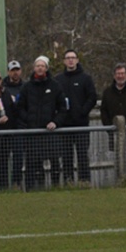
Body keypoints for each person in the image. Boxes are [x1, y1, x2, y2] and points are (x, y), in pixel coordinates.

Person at [14, 56, 67, 191]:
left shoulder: (55, 86)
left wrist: (55, 122)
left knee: (55, 161)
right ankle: (34, 189)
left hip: (51, 133)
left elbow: (62, 108)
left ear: (46, 68)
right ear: (34, 68)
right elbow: (20, 107)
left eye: (42, 66)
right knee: (33, 163)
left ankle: (56, 187)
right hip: (33, 133)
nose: (40, 68)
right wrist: (29, 120)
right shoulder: (26, 87)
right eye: (37, 66)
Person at [54, 49, 98, 185]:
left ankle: (84, 181)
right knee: (66, 156)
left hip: (81, 124)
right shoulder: (58, 80)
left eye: (73, 57)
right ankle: (68, 181)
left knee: (82, 155)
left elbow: (92, 97)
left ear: (77, 60)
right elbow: (54, 99)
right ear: (64, 61)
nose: (70, 60)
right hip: (64, 125)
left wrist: (82, 111)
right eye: (68, 58)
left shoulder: (86, 79)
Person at [3, 59, 26, 189]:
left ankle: (17, 184)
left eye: (17, 70)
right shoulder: (3, 89)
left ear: (20, 71)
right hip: (6, 128)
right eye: (12, 71)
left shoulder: (25, 87)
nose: (15, 73)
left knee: (18, 159)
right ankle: (4, 186)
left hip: (20, 128)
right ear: (8, 72)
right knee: (3, 160)